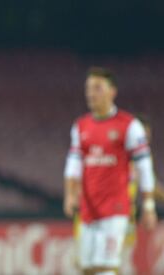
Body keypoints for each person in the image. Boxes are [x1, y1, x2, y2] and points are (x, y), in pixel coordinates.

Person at [63, 67, 157, 275]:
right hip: (88, 209)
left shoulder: (129, 125)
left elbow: (144, 165)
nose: (91, 93)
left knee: (105, 267)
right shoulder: (81, 126)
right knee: (87, 268)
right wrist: (70, 194)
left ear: (112, 91)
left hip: (115, 208)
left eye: (97, 88)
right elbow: (73, 163)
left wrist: (148, 204)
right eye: (88, 88)